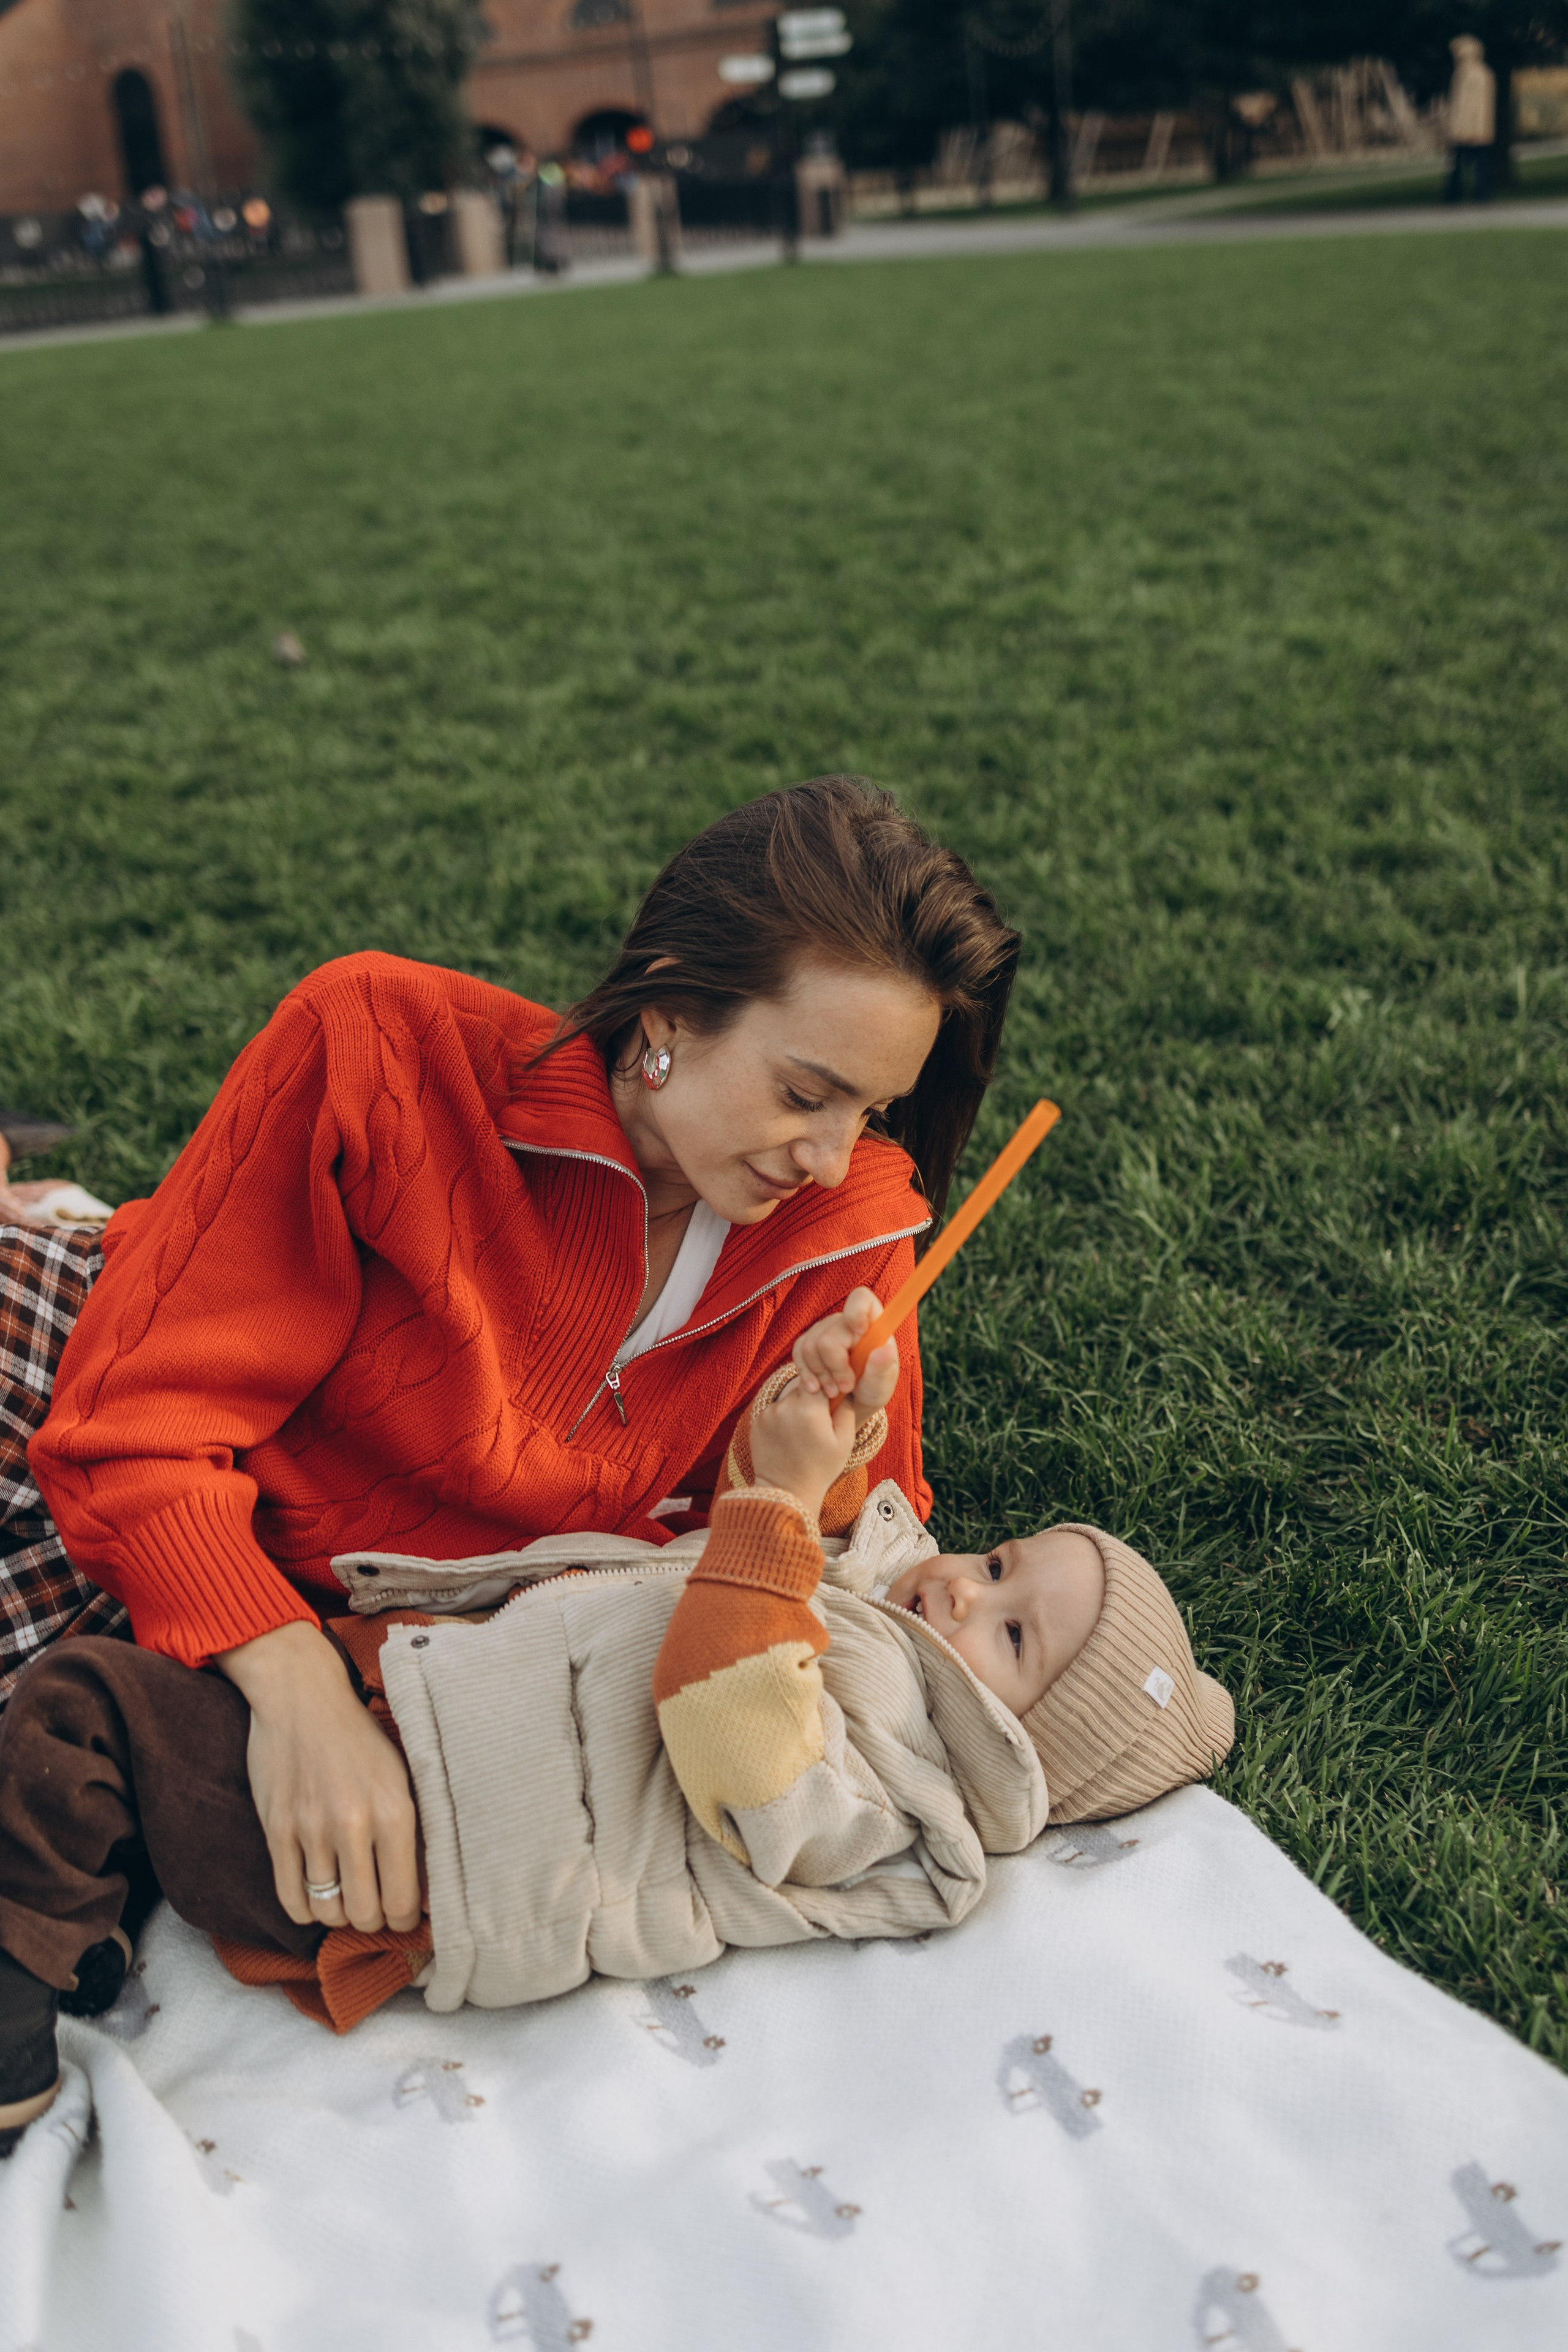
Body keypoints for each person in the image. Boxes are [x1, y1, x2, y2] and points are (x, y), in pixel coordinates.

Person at [17, 778, 1019, 1967]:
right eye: (804, 1092)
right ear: (668, 1012)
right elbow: (129, 1430)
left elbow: (827, 1577)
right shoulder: (374, 1048)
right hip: (121, 1408)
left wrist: (806, 1472)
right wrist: (294, 1689)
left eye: (872, 1108)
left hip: (395, 1621)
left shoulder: (854, 1231)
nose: (830, 1154)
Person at [0, 1292, 1234, 2154]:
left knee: (82, 1711)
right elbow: (762, 1553)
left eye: (1013, 1636)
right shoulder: (901, 1620)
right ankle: (103, 1908)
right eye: (1006, 1560)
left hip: (424, 1838)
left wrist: (787, 1511)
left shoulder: (911, 1790)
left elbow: (736, 1734)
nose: (971, 1585)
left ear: (1028, 1748)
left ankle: (14, 2018)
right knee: (165, 1720)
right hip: (417, 1710)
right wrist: (804, 1452)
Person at [1446, 35, 1496, 205]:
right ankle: (1481, 194)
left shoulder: (1465, 74)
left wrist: (1457, 128)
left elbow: (1463, 106)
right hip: (1480, 129)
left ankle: (1455, 195)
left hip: (1466, 129)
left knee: (1458, 166)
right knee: (1480, 165)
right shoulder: (1485, 73)